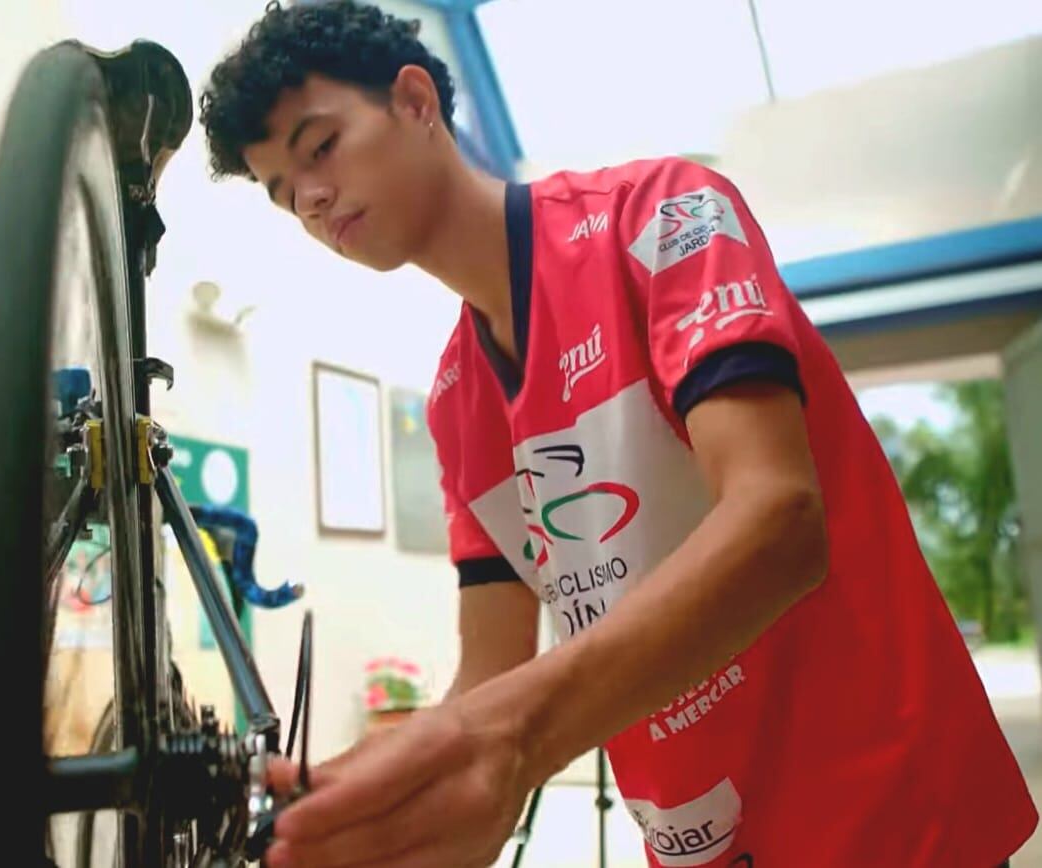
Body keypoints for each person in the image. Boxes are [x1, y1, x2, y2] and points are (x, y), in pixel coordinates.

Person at [199, 2, 1038, 866]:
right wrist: (379, 800)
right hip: (699, 835)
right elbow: (488, 673)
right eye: (279, 190)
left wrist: (512, 739)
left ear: (415, 101)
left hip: (887, 808)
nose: (308, 198)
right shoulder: (456, 401)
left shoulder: (661, 215)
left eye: (319, 147)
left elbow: (780, 520)